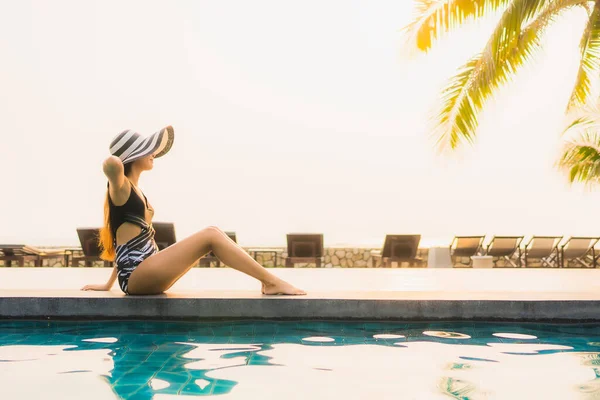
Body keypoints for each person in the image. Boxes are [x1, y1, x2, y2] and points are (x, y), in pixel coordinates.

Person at [81, 126, 306, 296]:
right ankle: (270, 282)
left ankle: (269, 282)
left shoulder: (137, 192)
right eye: (147, 150)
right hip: (138, 276)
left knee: (212, 233)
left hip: (143, 271)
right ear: (132, 157)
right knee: (211, 234)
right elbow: (111, 164)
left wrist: (108, 284)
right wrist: (119, 160)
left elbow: (126, 246)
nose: (153, 154)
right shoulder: (120, 190)